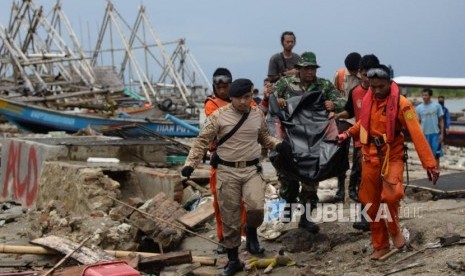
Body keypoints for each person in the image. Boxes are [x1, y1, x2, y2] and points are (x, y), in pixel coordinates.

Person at [181, 79, 283, 275]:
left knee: (256, 208)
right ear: (231, 99)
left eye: (247, 97)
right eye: (239, 98)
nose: (243, 102)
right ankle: (233, 259)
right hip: (227, 172)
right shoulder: (219, 116)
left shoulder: (257, 115)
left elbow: (264, 138)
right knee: (230, 217)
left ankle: (251, 230)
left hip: (252, 170)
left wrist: (278, 145)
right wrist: (189, 165)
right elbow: (202, 141)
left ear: (251, 95)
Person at [338, 64, 439, 260]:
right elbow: (363, 123)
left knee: (391, 196)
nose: (376, 91)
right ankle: (381, 245)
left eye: (380, 87)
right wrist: (347, 134)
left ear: (389, 83)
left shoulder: (403, 104)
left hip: (392, 156)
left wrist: (430, 165)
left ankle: (395, 230)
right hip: (369, 158)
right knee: (370, 203)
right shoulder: (370, 101)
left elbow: (417, 135)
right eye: (372, 87)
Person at [274, 51, 345, 233]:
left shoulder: (323, 85)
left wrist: (332, 105)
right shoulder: (285, 83)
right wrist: (279, 100)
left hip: (314, 140)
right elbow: (271, 99)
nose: (309, 72)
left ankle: (306, 218)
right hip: (291, 138)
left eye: (312, 69)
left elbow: (343, 101)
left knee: (311, 180)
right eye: (306, 69)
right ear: (299, 69)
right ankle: (289, 207)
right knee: (288, 179)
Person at [335, 54, 380, 231]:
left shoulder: (382, 91)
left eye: (371, 73)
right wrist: (337, 115)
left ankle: (380, 216)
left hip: (382, 143)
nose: (367, 77)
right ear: (359, 73)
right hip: (362, 142)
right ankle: (365, 218)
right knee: (364, 179)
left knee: (380, 181)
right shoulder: (355, 92)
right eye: (364, 73)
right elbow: (349, 111)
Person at [332, 52, 362, 203]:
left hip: (359, 119)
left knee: (359, 156)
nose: (353, 73)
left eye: (355, 70)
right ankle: (340, 190)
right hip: (344, 117)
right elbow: (333, 94)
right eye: (351, 70)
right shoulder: (339, 75)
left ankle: (353, 188)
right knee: (341, 154)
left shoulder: (364, 78)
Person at [415, 88, 444, 168]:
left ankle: (436, 172)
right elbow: (417, 123)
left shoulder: (437, 106)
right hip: (424, 135)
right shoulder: (418, 108)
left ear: (430, 96)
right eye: (423, 95)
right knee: (427, 156)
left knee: (436, 155)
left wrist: (442, 134)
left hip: (435, 134)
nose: (424, 97)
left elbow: (441, 120)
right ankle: (429, 172)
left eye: (426, 95)